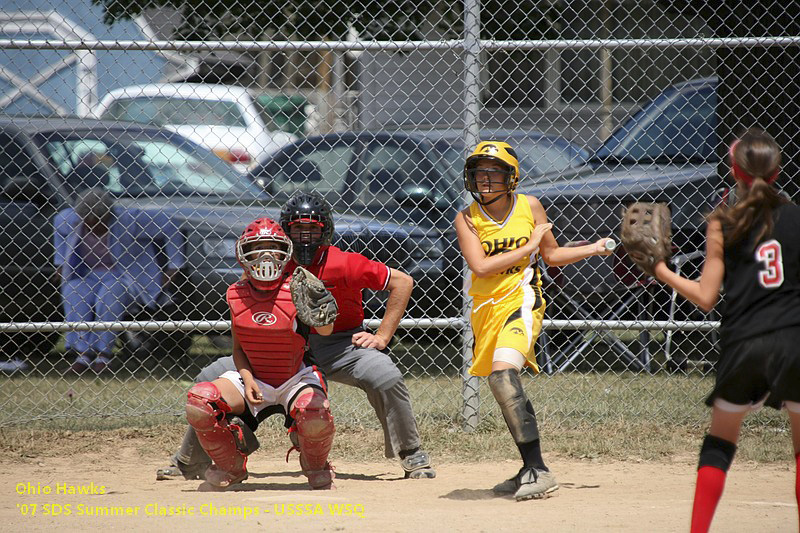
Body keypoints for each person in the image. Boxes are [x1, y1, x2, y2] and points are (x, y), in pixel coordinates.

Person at [158, 190, 436, 481]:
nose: (304, 238)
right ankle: (188, 462)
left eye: (311, 230)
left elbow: (403, 282)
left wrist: (382, 336)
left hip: (339, 344)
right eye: (297, 229)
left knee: (385, 376)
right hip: (279, 346)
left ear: (325, 231)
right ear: (285, 232)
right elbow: (245, 295)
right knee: (208, 379)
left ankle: (411, 453)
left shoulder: (343, 263)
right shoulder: (275, 258)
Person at [650, 129, 800, 532]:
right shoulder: (798, 218)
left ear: (733, 170)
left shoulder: (722, 222)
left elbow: (705, 297)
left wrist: (661, 270)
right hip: (794, 340)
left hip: (744, 341)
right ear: (777, 171)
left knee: (720, 444)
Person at [454, 140, 613, 501]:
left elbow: (552, 254)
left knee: (503, 376)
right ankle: (530, 467)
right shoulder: (466, 218)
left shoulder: (530, 206)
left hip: (522, 299)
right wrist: (527, 249)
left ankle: (538, 468)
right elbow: (479, 266)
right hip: (484, 310)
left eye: (494, 174)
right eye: (480, 174)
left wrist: (594, 247)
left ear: (511, 178)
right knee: (499, 383)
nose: (485, 181)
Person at [186, 217, 337, 490]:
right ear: (244, 253)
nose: (266, 255)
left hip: (295, 377)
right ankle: (230, 467)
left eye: (273, 247)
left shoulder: (297, 288)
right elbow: (238, 349)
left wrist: (322, 311)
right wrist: (248, 378)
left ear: (285, 253)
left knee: (315, 412)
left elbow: (325, 333)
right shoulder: (235, 294)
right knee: (200, 402)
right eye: (258, 248)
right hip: (254, 377)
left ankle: (316, 466)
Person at [53, 188, 184, 374]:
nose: (92, 226)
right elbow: (60, 239)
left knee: (109, 295)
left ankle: (103, 355)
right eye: (87, 222)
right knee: (73, 292)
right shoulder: (67, 219)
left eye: (98, 221)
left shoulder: (130, 219)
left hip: (123, 276)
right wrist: (60, 263)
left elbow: (170, 224)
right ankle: (82, 353)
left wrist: (174, 265)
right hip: (87, 275)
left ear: (108, 215)